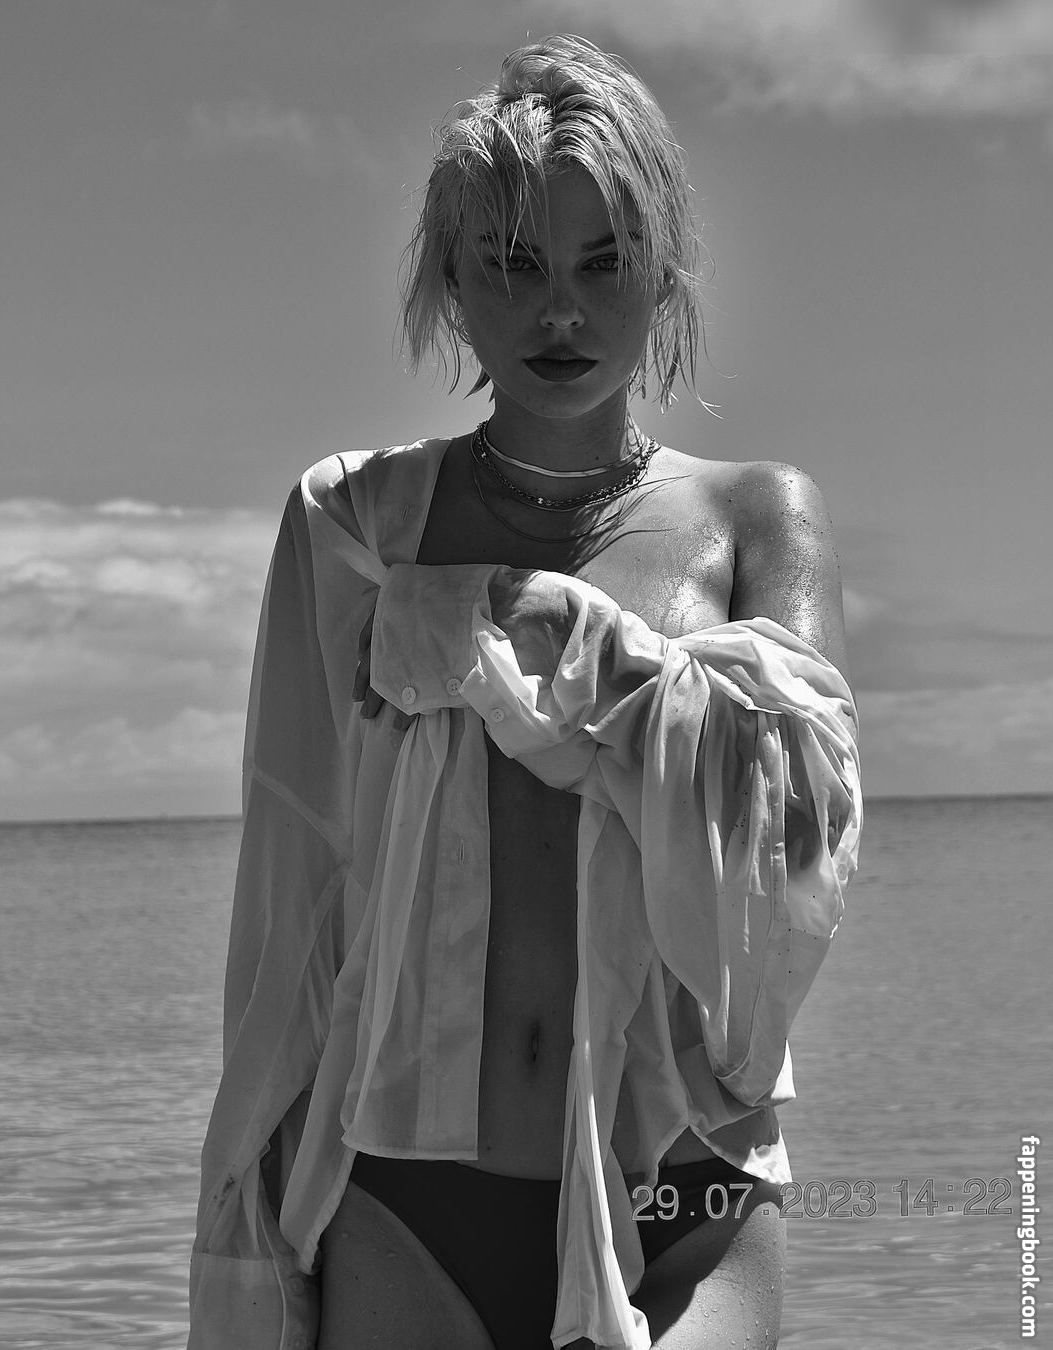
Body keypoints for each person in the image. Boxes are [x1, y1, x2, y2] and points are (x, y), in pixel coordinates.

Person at [188, 34, 862, 1350]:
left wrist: (522, 629)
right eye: (513, 262)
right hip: (408, 1191)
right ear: (449, 278)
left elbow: (805, 832)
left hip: (687, 1180)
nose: (561, 308)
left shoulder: (757, 517)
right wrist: (253, 1210)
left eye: (603, 261)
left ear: (665, 274)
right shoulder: (356, 525)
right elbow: (294, 886)